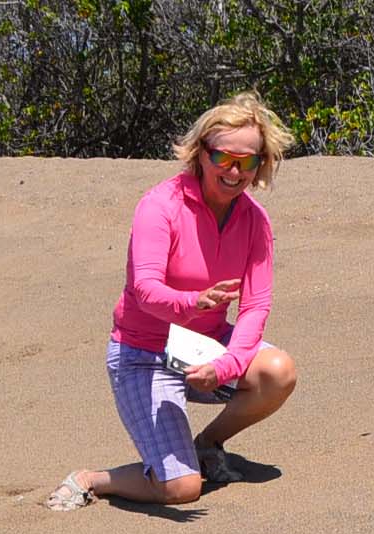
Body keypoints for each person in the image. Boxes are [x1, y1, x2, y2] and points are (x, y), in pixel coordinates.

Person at [46, 91, 297, 510]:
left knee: (278, 372)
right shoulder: (160, 206)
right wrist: (193, 303)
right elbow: (145, 290)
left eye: (247, 162)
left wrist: (225, 366)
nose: (234, 172)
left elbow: (255, 307)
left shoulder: (254, 220)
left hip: (204, 349)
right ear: (201, 154)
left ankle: (209, 443)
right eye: (223, 158)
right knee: (181, 489)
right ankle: (93, 479)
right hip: (142, 354)